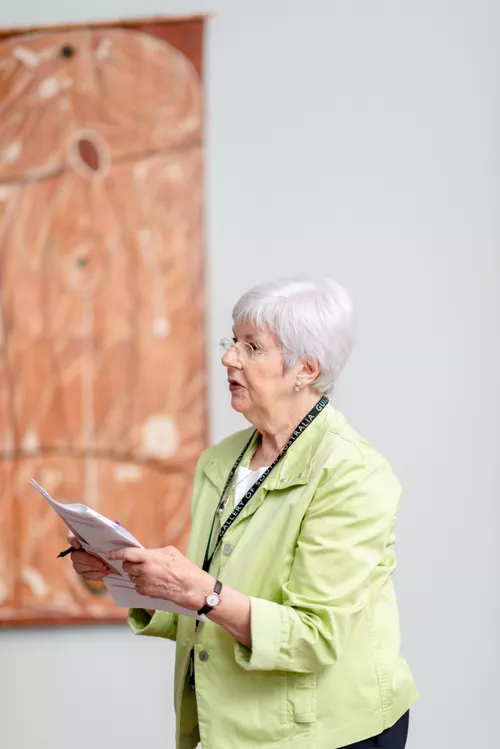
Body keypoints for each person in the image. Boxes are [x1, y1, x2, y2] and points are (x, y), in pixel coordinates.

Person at [70, 278, 418, 749]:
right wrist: (129, 571)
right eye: (232, 341)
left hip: (328, 734)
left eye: (252, 347)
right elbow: (206, 608)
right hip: (234, 726)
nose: (229, 358)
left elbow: (313, 637)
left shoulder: (353, 474)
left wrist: (198, 590)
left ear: (306, 369)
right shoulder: (221, 461)